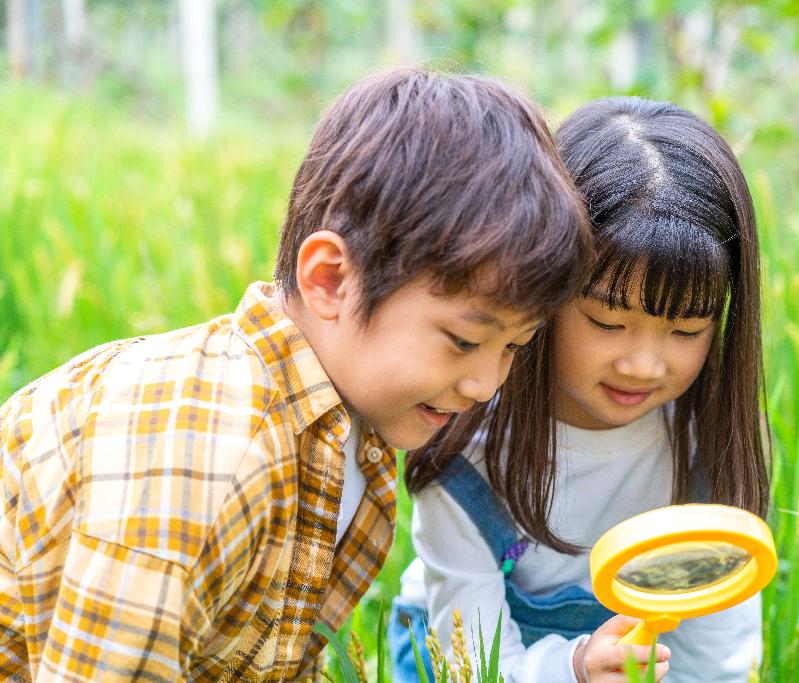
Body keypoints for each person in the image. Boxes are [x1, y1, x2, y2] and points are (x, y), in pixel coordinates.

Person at [0, 67, 593, 682]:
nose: (484, 385)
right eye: (464, 340)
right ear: (331, 279)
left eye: (514, 348)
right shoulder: (213, 451)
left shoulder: (347, 437)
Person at [392, 97, 770, 683]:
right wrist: (573, 667)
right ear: (543, 290)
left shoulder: (710, 449)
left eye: (686, 329)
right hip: (465, 655)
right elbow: (473, 664)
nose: (644, 365)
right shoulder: (467, 446)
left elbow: (716, 658)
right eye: (608, 323)